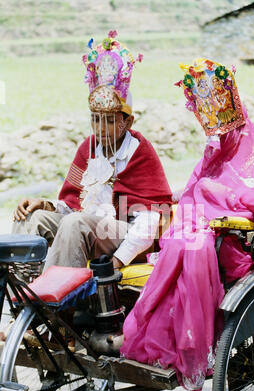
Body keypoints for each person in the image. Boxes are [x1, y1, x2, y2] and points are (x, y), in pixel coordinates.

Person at [120, 58, 254, 391]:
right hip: (199, 233)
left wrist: (222, 194)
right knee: (181, 243)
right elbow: (192, 186)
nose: (219, 137)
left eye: (224, 129)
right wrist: (180, 195)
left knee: (189, 245)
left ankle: (192, 348)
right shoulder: (213, 151)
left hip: (235, 242)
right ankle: (169, 342)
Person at [12, 31, 173, 272]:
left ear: (128, 122)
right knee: (31, 218)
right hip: (86, 223)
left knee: (75, 224)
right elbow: (73, 202)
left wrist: (118, 261)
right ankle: (24, 294)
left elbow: (149, 222)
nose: (100, 128)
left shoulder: (140, 152)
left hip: (124, 234)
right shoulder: (87, 148)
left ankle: (60, 301)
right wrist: (44, 205)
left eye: (109, 121)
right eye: (96, 120)